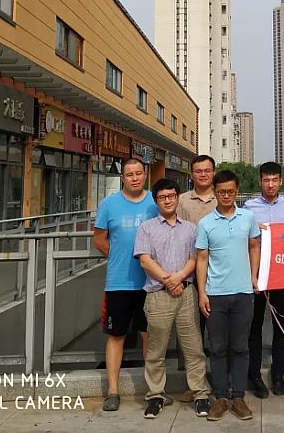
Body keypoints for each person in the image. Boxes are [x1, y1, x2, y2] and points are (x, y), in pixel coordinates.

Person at [134, 178, 210, 419]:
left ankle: (200, 393)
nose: (167, 201)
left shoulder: (190, 229)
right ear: (156, 200)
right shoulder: (146, 228)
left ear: (178, 198)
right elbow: (145, 260)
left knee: (194, 348)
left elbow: (195, 258)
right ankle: (155, 396)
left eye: (171, 196)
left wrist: (178, 278)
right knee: (156, 350)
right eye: (162, 197)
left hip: (186, 294)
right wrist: (169, 280)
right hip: (158, 295)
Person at [93, 158, 159, 412]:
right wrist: (119, 257)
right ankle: (113, 391)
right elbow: (99, 240)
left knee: (149, 335)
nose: (134, 178)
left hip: (150, 282)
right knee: (116, 335)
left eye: (138, 173)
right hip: (118, 282)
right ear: (123, 177)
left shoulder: (155, 202)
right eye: (129, 174)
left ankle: (154, 390)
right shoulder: (109, 204)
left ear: (145, 175)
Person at [196, 170, 260, 421]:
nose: (226, 195)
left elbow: (254, 247)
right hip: (215, 294)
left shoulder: (248, 217)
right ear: (214, 192)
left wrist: (253, 277)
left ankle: (239, 398)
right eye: (221, 191)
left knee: (241, 347)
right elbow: (202, 259)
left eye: (230, 191)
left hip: (243, 292)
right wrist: (202, 292)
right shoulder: (205, 223)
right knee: (217, 348)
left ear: (237, 191)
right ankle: (221, 398)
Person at [243, 162, 284, 398]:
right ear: (260, 182)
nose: (271, 184)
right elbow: (242, 235)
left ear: (281, 181)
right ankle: (254, 376)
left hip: (281, 272)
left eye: (275, 180)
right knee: (254, 326)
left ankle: (278, 374)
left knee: (280, 325)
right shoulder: (248, 208)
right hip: (255, 273)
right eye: (266, 180)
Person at [177, 154, 218, 402]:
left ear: (214, 173)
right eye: (198, 171)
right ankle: (195, 385)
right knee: (192, 335)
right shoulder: (181, 201)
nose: (203, 175)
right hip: (189, 276)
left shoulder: (222, 198)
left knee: (218, 333)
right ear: (192, 174)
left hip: (218, 276)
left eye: (207, 170)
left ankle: (221, 382)